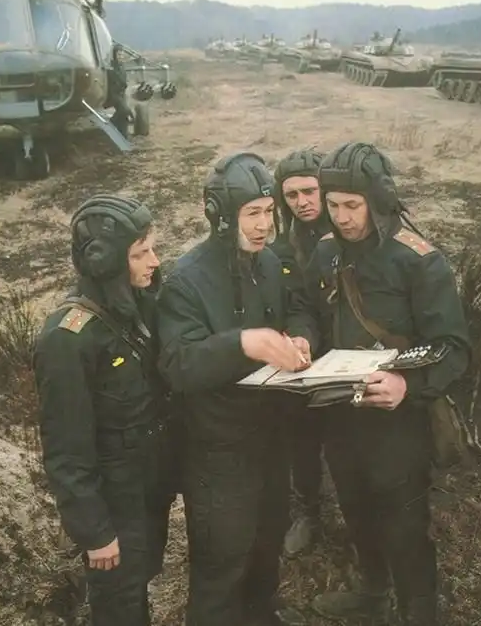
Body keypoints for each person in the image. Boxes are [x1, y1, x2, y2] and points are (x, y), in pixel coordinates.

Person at [286, 142, 471, 626]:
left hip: (398, 421)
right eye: (332, 205)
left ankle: (417, 611)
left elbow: (454, 347)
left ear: (379, 200)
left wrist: (408, 386)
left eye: (353, 205)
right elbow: (306, 308)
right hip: (340, 412)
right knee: (356, 508)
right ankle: (372, 592)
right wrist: (303, 336)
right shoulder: (326, 252)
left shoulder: (418, 261)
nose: (341, 217)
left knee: (405, 525)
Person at [156, 152, 308, 626]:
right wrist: (242, 343)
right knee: (222, 565)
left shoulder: (270, 263)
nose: (264, 226)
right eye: (252, 214)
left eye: (269, 212)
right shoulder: (186, 280)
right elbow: (178, 364)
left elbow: (297, 309)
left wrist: (302, 337)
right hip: (218, 452)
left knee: (267, 543)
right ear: (221, 216)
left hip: (270, 438)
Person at [34, 194, 175, 626]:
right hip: (113, 506)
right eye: (140, 253)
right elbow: (66, 452)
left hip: (146, 489)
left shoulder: (134, 307)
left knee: (139, 584)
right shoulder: (67, 339)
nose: (154, 261)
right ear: (106, 262)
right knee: (118, 604)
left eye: (152, 249)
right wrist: (95, 533)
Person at [271, 148, 332, 558]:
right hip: (308, 355)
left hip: (354, 350)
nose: (302, 202)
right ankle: (309, 510)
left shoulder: (350, 234)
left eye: (310, 191)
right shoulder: (282, 248)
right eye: (291, 195)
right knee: (301, 437)